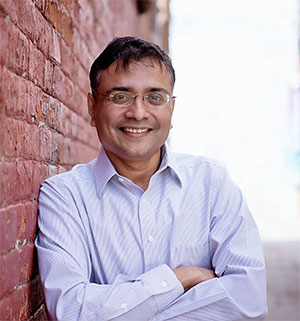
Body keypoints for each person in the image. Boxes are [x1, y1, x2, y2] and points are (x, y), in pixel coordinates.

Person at [35, 36, 267, 321]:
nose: (138, 112)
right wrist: (181, 279)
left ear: (171, 109)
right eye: (120, 96)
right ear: (92, 108)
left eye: (155, 98)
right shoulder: (64, 196)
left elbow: (248, 302)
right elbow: (71, 310)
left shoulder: (211, 183)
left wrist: (123, 308)